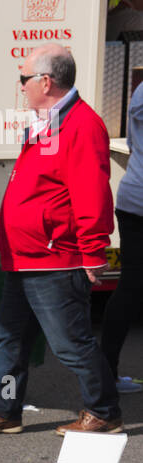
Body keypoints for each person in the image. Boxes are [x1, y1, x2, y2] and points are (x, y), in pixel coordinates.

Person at [0, 44, 120, 438]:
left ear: (45, 81)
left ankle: (104, 412)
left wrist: (92, 251)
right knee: (9, 338)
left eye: (24, 79)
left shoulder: (80, 125)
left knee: (70, 343)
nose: (21, 88)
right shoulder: (50, 120)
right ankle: (6, 409)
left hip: (53, 258)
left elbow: (91, 193)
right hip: (28, 257)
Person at [100, 80, 143, 394]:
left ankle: (107, 373)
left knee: (129, 288)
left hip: (132, 197)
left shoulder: (140, 91)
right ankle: (105, 375)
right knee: (130, 289)